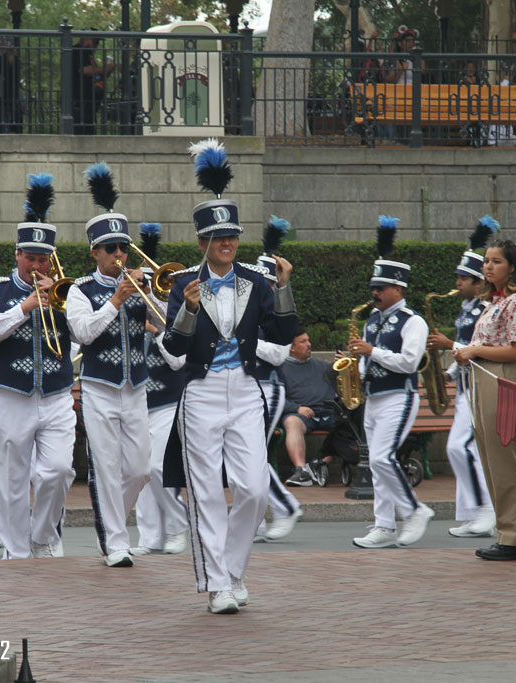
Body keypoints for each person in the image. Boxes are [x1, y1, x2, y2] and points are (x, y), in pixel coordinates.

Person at [162, 139, 297, 614]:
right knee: (205, 493)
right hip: (199, 394)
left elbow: (284, 334)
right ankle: (217, 582)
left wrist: (283, 288)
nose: (227, 243)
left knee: (255, 490)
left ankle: (234, 570)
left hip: (245, 390)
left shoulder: (256, 282)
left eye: (233, 236)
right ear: (202, 243)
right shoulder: (182, 284)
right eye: (218, 238)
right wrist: (188, 312)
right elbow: (173, 351)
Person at [0, 173, 76, 560]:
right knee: (12, 480)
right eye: (30, 258)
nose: (37, 265)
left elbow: (81, 334)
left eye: (42, 258)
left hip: (56, 393)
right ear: (17, 255)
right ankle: (16, 552)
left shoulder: (65, 289)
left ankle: (43, 535)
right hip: (11, 395)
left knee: (59, 471)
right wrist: (25, 307)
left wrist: (63, 303)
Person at [67, 163, 164, 568]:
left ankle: (111, 527)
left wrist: (156, 293)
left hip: (136, 387)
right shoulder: (80, 289)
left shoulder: (140, 284)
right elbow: (82, 333)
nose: (120, 255)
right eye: (111, 249)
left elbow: (167, 324)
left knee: (142, 468)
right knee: (105, 467)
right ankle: (116, 541)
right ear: (95, 252)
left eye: (123, 248)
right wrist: (117, 300)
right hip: (99, 387)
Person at [346, 216, 434, 550]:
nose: (375, 293)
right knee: (376, 461)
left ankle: (415, 510)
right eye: (373, 287)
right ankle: (384, 525)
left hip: (400, 394)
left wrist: (373, 351)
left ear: (399, 288)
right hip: (374, 395)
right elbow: (373, 357)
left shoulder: (414, 321)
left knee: (383, 458)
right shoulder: (371, 320)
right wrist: (356, 360)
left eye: (380, 288)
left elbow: (410, 362)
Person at [452, 238, 516, 561]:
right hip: (485, 378)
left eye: (496, 261)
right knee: (490, 459)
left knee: (506, 458)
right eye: (486, 261)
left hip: (505, 378)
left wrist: (474, 350)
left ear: (511, 267)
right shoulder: (494, 302)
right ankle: (506, 532)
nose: (488, 266)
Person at [426, 217, 497, 538]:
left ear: (477, 283)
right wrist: (448, 372)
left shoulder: (486, 308)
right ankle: (472, 512)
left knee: (463, 448)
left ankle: (487, 510)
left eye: (462, 279)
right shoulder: (465, 309)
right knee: (460, 449)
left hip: (481, 389)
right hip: (466, 387)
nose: (457, 283)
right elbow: (465, 353)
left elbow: (481, 347)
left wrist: (448, 345)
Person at [132, 223, 189, 557]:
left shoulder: (172, 315)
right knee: (141, 473)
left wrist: (156, 331)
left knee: (158, 468)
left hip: (169, 401)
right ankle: (150, 537)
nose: (150, 291)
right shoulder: (134, 308)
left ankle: (178, 527)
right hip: (139, 402)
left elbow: (178, 361)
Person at [252, 218, 303, 541]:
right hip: (251, 385)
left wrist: (243, 339)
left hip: (270, 386)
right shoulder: (255, 307)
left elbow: (279, 354)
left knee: (254, 453)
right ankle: (255, 519)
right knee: (244, 455)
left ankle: (285, 506)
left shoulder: (279, 310)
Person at [280, 330, 338, 487]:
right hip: (302, 416)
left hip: (329, 413)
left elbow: (342, 387)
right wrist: (297, 408)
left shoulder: (321, 366)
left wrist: (343, 369)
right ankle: (301, 471)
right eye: (303, 342)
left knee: (352, 421)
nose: (309, 344)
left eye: (309, 340)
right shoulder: (280, 369)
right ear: (292, 348)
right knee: (292, 422)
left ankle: (320, 462)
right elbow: (275, 398)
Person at [72, 33, 116, 135]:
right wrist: (105, 68)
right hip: (79, 101)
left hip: (89, 102)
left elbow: (96, 76)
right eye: (95, 42)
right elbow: (85, 70)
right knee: (82, 133)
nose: (97, 46)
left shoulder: (87, 55)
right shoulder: (78, 51)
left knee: (89, 130)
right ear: (86, 39)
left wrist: (107, 71)